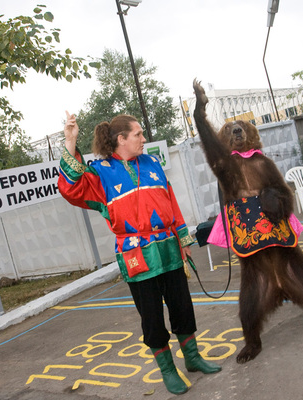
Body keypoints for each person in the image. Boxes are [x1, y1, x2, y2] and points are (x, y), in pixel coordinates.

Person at [58, 111, 221, 395]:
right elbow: (71, 188)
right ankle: (168, 371)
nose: (143, 139)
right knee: (151, 315)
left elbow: (171, 201)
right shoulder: (101, 172)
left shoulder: (152, 162)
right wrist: (71, 141)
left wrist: (183, 239)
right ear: (121, 139)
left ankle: (193, 359)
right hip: (136, 254)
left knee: (182, 305)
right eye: (138, 135)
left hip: (169, 246)